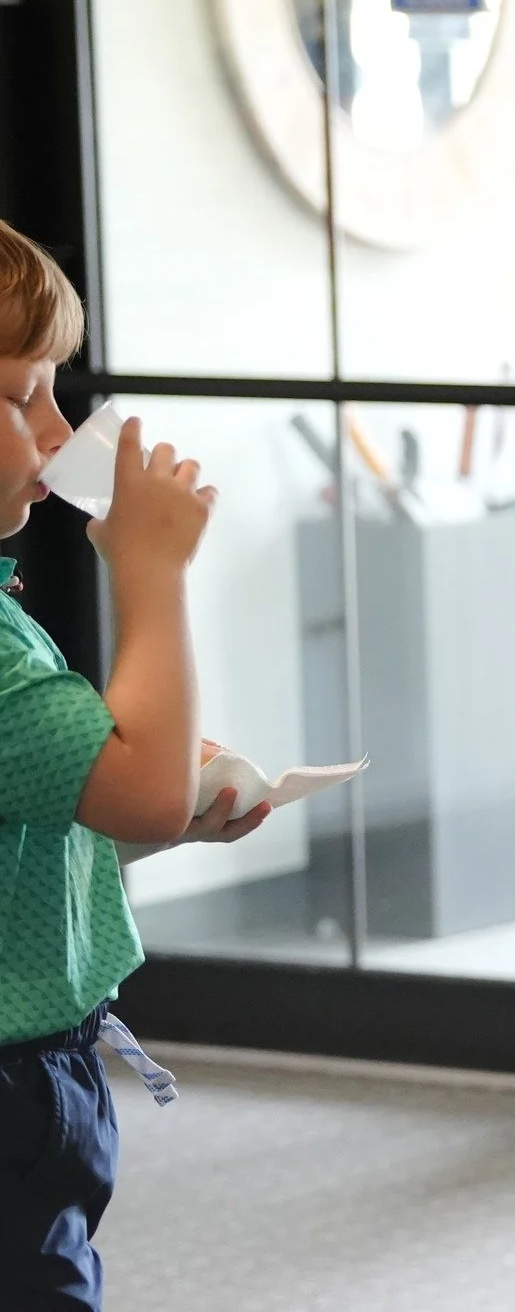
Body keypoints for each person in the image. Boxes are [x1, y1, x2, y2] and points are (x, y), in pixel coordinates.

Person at [0, 219, 268, 1309]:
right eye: (24, 396)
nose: (59, 431)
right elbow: (147, 791)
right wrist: (152, 572)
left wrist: (155, 799)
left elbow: (79, 805)